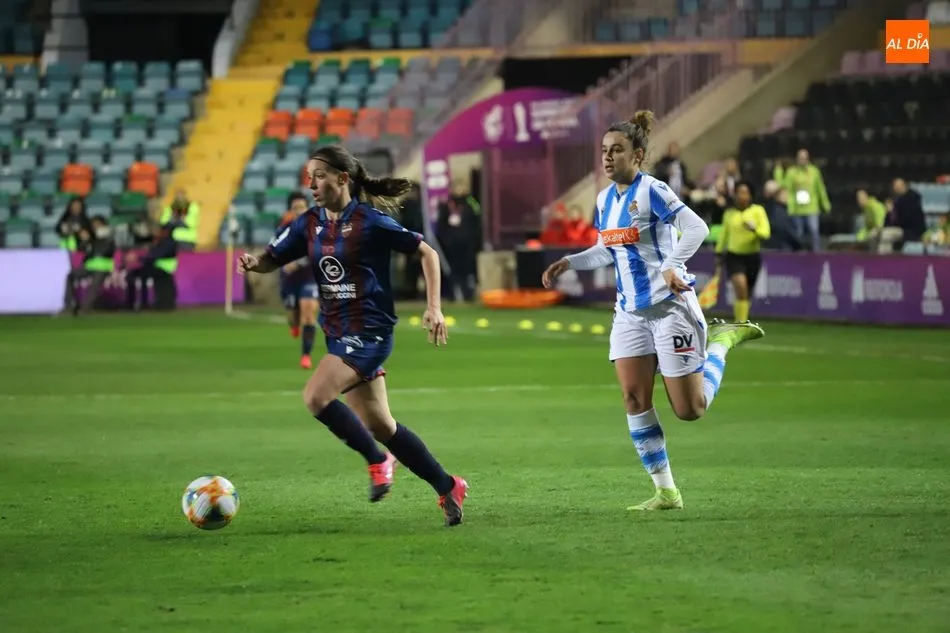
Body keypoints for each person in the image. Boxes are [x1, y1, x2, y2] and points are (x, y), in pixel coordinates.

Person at [541, 111, 765, 512]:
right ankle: (666, 492)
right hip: (629, 313)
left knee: (689, 410)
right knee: (633, 397)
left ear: (638, 155)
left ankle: (720, 344)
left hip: (670, 308)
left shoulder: (653, 191)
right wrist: (570, 261)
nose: (607, 157)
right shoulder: (603, 200)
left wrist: (671, 265)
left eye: (617, 150)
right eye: (604, 150)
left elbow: (696, 228)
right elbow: (608, 249)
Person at [237, 145, 469, 527]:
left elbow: (427, 253)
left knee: (315, 396)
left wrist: (434, 307)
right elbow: (271, 258)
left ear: (342, 178)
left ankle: (378, 460)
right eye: (309, 177)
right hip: (337, 333)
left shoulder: (370, 221)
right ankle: (448, 486)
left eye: (320, 176)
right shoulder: (308, 223)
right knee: (382, 426)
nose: (312, 184)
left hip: (370, 331)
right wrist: (253, 262)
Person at [715, 181, 771, 324]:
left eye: (745, 193)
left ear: (751, 195)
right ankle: (740, 324)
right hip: (734, 256)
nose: (742, 196)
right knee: (741, 288)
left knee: (747, 294)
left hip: (752, 257)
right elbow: (724, 235)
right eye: (739, 193)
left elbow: (766, 233)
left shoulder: (758, 211)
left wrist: (754, 229)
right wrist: (719, 252)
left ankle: (743, 320)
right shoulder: (729, 214)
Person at [277, 191, 319, 369]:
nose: (300, 211)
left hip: (310, 277)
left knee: (308, 313)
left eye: (303, 207)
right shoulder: (283, 231)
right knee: (293, 316)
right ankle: (294, 324)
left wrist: (298, 262)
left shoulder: (316, 230)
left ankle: (306, 355)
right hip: (289, 280)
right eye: (296, 208)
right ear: (290, 211)